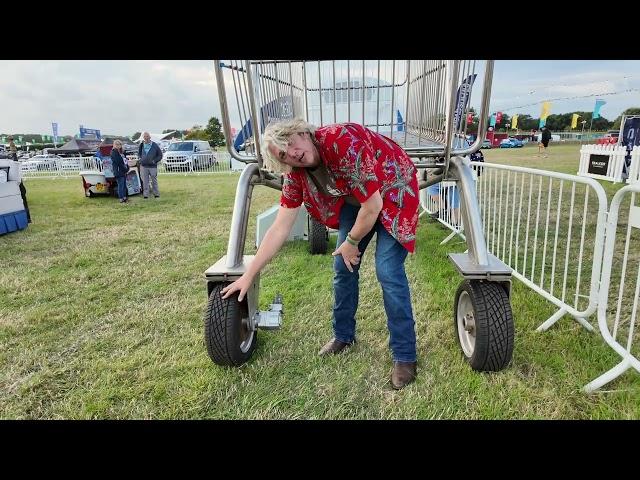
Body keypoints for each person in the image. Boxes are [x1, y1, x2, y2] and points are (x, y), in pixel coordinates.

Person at [221, 119, 420, 390]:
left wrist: (351, 241)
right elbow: (280, 227)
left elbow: (373, 206)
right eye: (282, 154)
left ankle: (405, 355)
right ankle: (343, 336)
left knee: (388, 270)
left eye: (289, 142)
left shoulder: (340, 141)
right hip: (357, 199)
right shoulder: (295, 174)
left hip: (393, 186)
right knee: (342, 266)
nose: (290, 153)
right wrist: (249, 274)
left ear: (303, 132)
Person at [137, 132, 163, 198]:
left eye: (147, 136)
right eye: (145, 136)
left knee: (154, 180)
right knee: (145, 181)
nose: (146, 138)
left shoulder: (154, 145)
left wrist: (154, 161)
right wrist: (141, 159)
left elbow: (160, 155)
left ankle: (156, 194)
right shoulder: (141, 145)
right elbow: (139, 153)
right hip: (144, 166)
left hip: (152, 166)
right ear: (143, 137)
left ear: (150, 137)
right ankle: (146, 195)